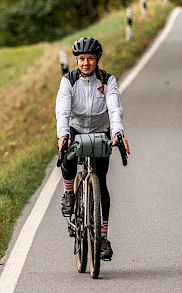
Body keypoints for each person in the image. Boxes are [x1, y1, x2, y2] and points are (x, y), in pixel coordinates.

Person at [55, 36, 130, 261]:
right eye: (81, 59)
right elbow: (63, 110)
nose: (86, 63)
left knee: (102, 186)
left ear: (97, 59)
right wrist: (63, 134)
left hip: (100, 132)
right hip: (75, 129)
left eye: (90, 59)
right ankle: (69, 192)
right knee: (66, 156)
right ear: (76, 60)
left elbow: (115, 109)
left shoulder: (108, 80)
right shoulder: (68, 81)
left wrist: (118, 132)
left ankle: (103, 237)